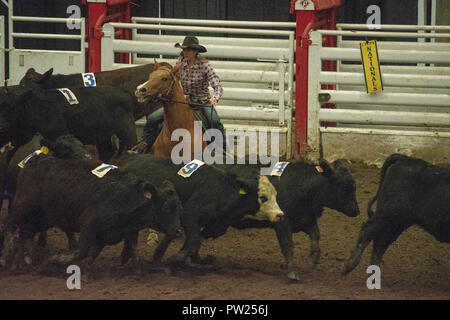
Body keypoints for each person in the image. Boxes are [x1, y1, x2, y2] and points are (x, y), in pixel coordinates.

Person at [139, 35, 225, 152]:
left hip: (201, 101)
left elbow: (217, 85)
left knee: (214, 121)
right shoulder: (180, 62)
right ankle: (144, 144)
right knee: (153, 118)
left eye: (188, 49)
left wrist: (215, 98)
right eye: (184, 49)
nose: (185, 52)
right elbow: (174, 80)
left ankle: (223, 151)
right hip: (182, 100)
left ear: (195, 51)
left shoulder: (205, 65)